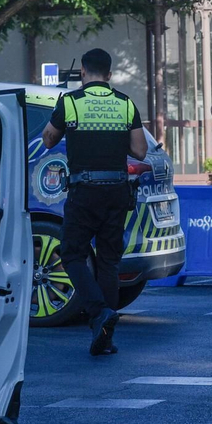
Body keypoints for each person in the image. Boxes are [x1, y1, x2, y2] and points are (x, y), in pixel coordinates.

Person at [42, 48, 147, 356]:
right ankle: (105, 336)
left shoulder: (70, 102)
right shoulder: (125, 104)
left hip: (84, 191)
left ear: (83, 73)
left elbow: (48, 139)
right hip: (116, 190)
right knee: (109, 261)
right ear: (110, 75)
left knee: (72, 253)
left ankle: (98, 310)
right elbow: (140, 151)